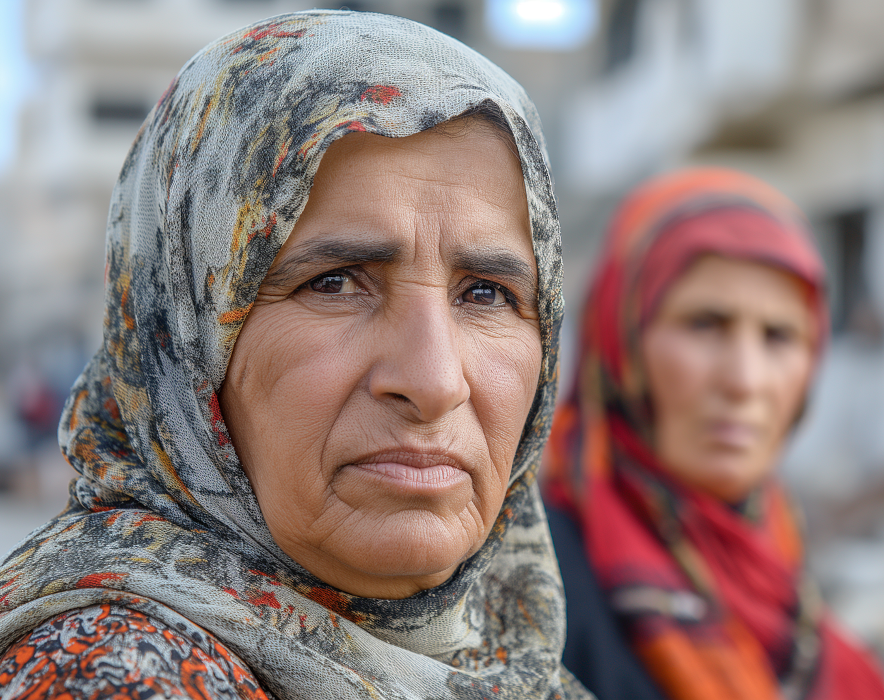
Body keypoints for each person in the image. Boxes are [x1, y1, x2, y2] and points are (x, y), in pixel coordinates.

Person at [0, 11, 590, 700]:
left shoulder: (514, 655)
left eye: (486, 294)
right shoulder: (118, 676)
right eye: (333, 283)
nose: (433, 382)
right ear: (184, 345)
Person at [543, 168, 884, 700]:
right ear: (623, 343)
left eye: (778, 336)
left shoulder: (779, 566)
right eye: (705, 324)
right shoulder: (534, 576)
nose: (744, 381)